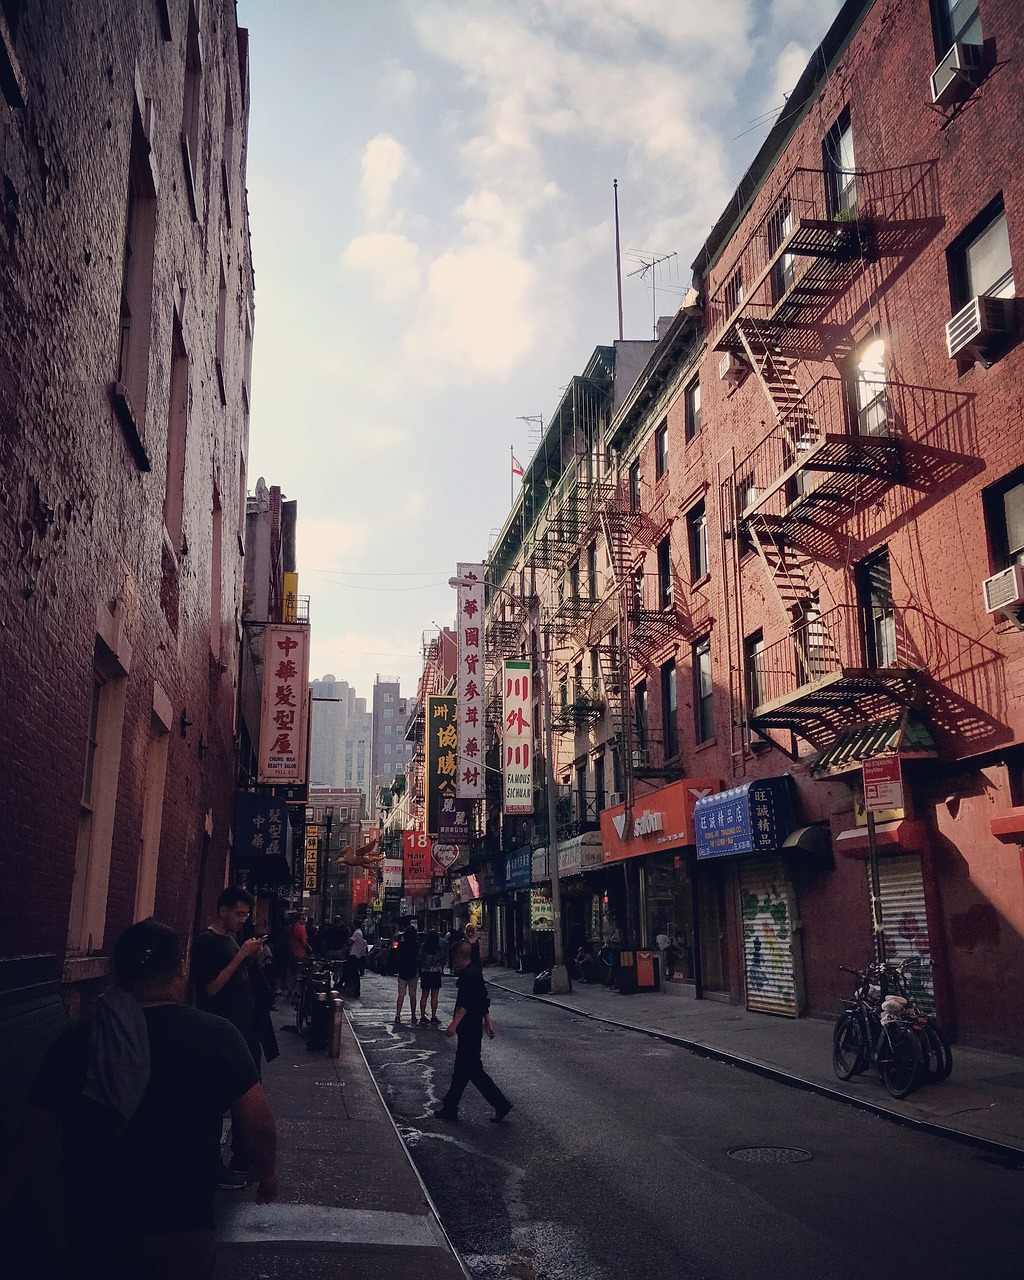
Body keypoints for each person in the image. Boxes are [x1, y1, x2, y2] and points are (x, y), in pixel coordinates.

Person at [0, 919, 277, 1280]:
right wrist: (267, 1172)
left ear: (119, 971)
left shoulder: (80, 1040)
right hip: (180, 1223)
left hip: (94, 1223)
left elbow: (29, 1139)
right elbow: (258, 1122)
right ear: (181, 969)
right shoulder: (218, 1036)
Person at [191, 887, 278, 1185]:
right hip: (222, 1035)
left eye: (246, 915)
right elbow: (211, 988)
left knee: (246, 1100)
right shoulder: (206, 942)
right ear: (223, 910)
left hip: (245, 1033)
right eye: (239, 914)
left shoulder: (230, 940)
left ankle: (243, 1158)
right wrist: (241, 955)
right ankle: (215, 1165)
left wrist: (251, 958)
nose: (243, 920)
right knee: (218, 1102)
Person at [434, 941, 512, 1124]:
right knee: (461, 1071)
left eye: (454, 958)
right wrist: (488, 1022)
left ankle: (501, 1103)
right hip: (473, 1027)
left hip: (469, 1028)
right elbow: (483, 999)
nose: (453, 963)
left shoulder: (469, 976)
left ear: (459, 957)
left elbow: (465, 1004)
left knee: (473, 1071)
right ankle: (450, 1107)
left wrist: (453, 1025)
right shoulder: (475, 973)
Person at [394, 924, 420, 1023]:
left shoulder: (401, 944)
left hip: (403, 970)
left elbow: (397, 955)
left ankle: (398, 1015)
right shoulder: (416, 945)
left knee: (401, 995)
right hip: (413, 970)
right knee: (412, 995)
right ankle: (413, 1015)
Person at [418, 930, 444, 1023]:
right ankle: (433, 1016)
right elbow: (442, 959)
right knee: (434, 996)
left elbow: (420, 958)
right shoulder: (438, 948)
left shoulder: (423, 947)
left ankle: (422, 1016)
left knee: (424, 995)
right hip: (435, 973)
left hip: (425, 972)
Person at [283, 911, 310, 996]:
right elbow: (304, 942)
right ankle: (296, 991)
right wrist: (310, 948)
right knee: (299, 973)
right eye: (303, 919)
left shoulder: (291, 928)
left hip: (291, 953)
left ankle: (290, 989)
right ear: (298, 920)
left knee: (292, 973)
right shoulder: (301, 928)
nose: (305, 921)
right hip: (300, 953)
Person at [343, 923, 366, 998]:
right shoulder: (359, 932)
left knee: (353, 972)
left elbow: (349, 942)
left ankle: (356, 989)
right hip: (355, 955)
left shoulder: (357, 933)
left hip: (354, 955)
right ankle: (347, 987)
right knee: (350, 971)